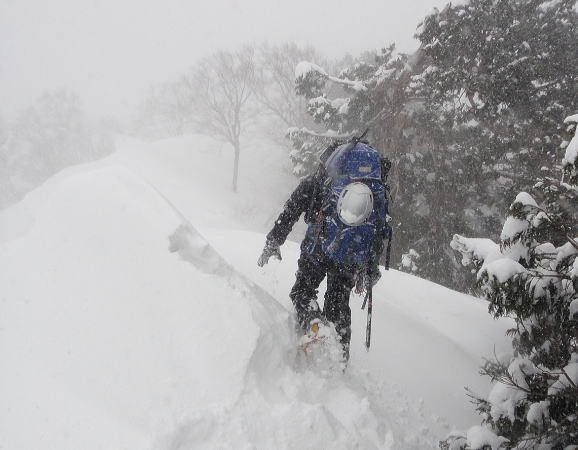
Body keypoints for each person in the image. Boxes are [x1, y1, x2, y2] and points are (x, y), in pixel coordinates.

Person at [257, 139, 391, 361]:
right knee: (338, 303)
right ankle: (339, 355)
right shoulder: (374, 187)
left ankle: (314, 324)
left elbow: (292, 209)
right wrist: (370, 267)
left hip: (317, 249)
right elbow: (378, 229)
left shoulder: (320, 180)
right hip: (350, 257)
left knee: (302, 291)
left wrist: (274, 241)